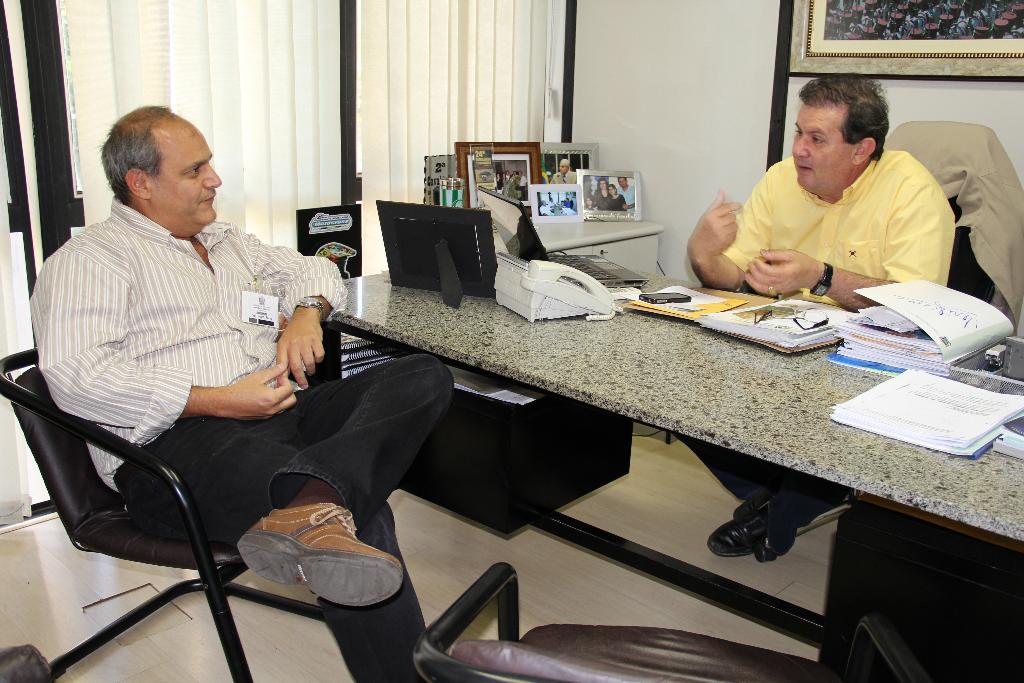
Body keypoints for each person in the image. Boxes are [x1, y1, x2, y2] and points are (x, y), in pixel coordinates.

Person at [30, 106, 454, 681]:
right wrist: (217, 400)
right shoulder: (90, 261)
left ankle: (311, 504)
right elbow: (78, 377)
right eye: (194, 170)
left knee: (423, 375)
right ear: (141, 183)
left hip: (279, 412)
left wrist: (306, 314)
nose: (215, 180)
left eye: (210, 164)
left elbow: (316, 270)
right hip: (174, 451)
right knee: (358, 519)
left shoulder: (226, 241)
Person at [686, 75, 954, 562]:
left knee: (821, 408)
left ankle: (790, 504)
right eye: (798, 132)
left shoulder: (912, 190)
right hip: (787, 339)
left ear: (861, 150)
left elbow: (915, 306)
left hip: (870, 355)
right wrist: (703, 252)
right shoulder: (780, 179)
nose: (799, 150)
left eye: (817, 138)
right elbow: (733, 275)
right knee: (686, 389)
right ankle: (785, 491)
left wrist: (822, 276)